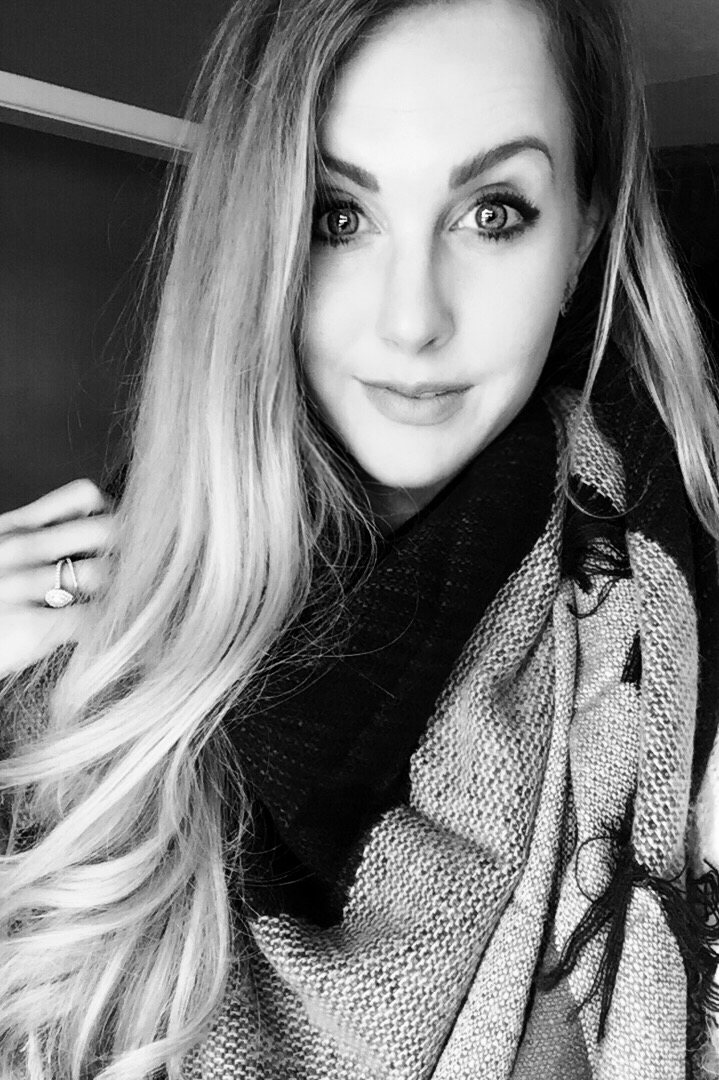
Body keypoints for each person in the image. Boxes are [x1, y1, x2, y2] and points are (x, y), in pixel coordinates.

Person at [1, 0, 719, 1077]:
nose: (410, 320)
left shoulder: (681, 632)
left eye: (491, 212)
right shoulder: (68, 636)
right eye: (337, 214)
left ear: (579, 234)